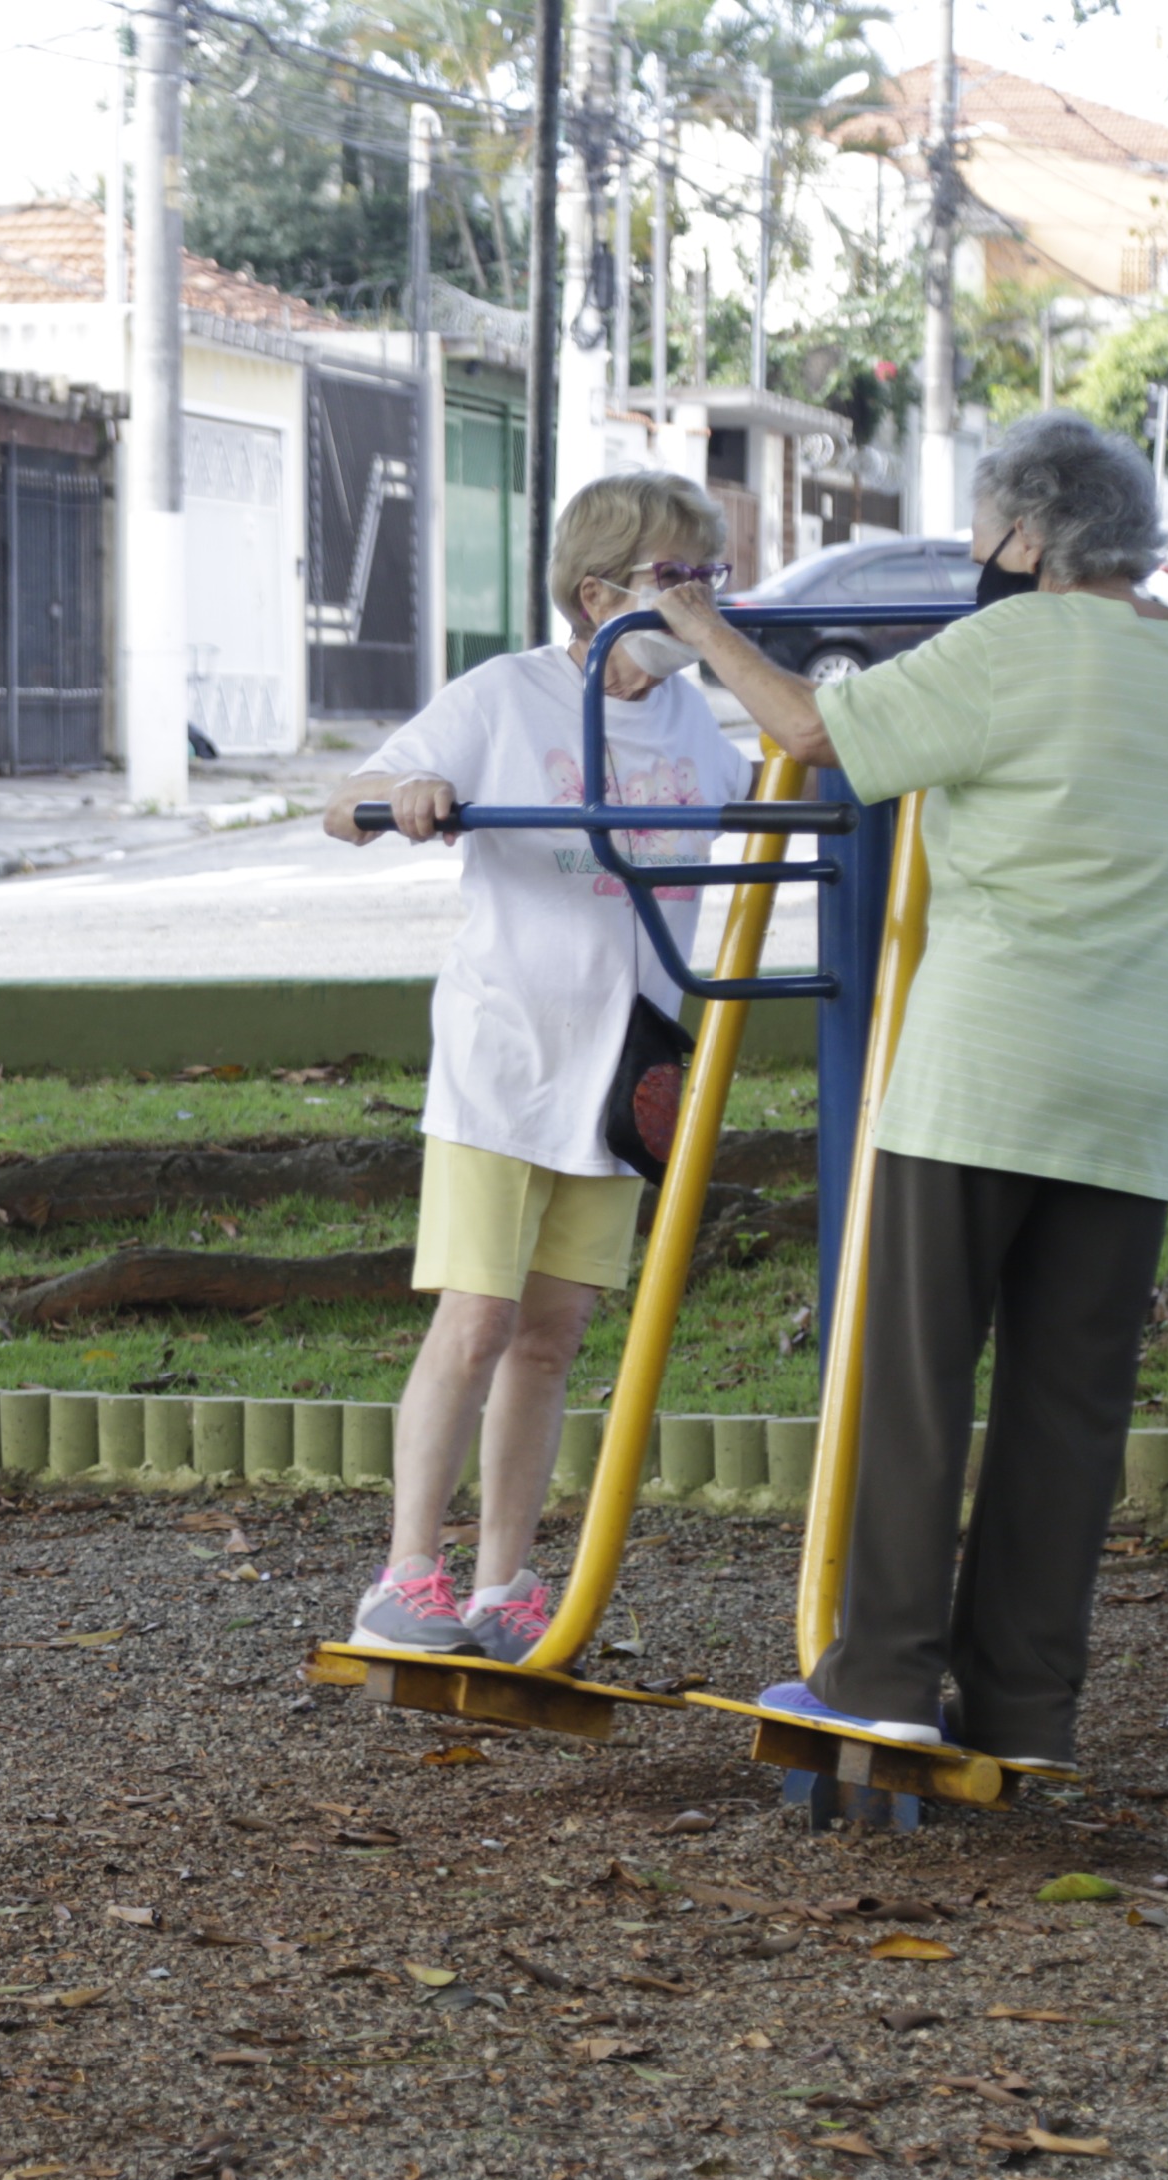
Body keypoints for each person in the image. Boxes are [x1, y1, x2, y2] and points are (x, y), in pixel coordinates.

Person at [637, 409, 1168, 1765]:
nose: (978, 556)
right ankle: (1027, 1705)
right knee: (1069, 1403)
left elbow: (811, 729)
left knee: (916, 1379)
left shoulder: (1012, 641)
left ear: (1031, 537)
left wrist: (696, 623)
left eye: (985, 534)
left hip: (989, 1064)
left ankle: (880, 1678)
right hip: (1138, 1076)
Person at [329, 471, 748, 1660]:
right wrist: (405, 793)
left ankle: (504, 1583)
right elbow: (340, 802)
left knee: (551, 1331)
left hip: (626, 1071)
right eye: (682, 578)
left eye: (713, 574)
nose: (707, 599)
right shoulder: (507, 695)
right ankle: (407, 1568)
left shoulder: (692, 723)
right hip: (507, 1055)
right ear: (597, 593)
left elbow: (770, 789)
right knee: (476, 1315)